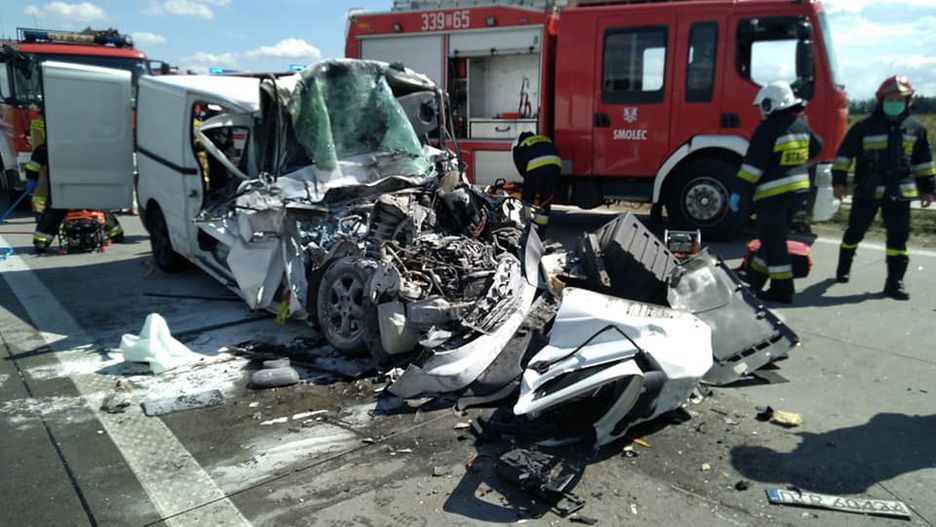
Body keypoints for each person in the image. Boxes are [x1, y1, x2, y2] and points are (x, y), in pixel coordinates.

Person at [832, 76, 934, 300]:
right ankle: (844, 266)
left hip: (900, 191)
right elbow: (843, 157)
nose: (895, 102)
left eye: (900, 98)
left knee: (898, 239)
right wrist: (839, 183)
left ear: (908, 101)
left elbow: (923, 162)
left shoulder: (916, 129)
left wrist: (928, 189)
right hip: (868, 189)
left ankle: (894, 282)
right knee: (855, 231)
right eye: (890, 98)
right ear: (881, 100)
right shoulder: (864, 127)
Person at [729, 81, 823, 304]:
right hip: (798, 194)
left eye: (762, 105)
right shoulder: (801, 126)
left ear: (771, 104)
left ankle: (782, 290)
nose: (761, 110)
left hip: (773, 196)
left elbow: (752, 167)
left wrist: (739, 192)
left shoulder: (767, 129)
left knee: (775, 243)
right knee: (769, 238)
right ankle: (755, 280)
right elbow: (817, 147)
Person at [511, 132, 562, 235]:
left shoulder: (519, 146)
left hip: (536, 165)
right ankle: (540, 232)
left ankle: (526, 225)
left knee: (527, 198)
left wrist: (529, 183)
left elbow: (521, 169)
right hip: (556, 164)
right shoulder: (543, 138)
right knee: (546, 198)